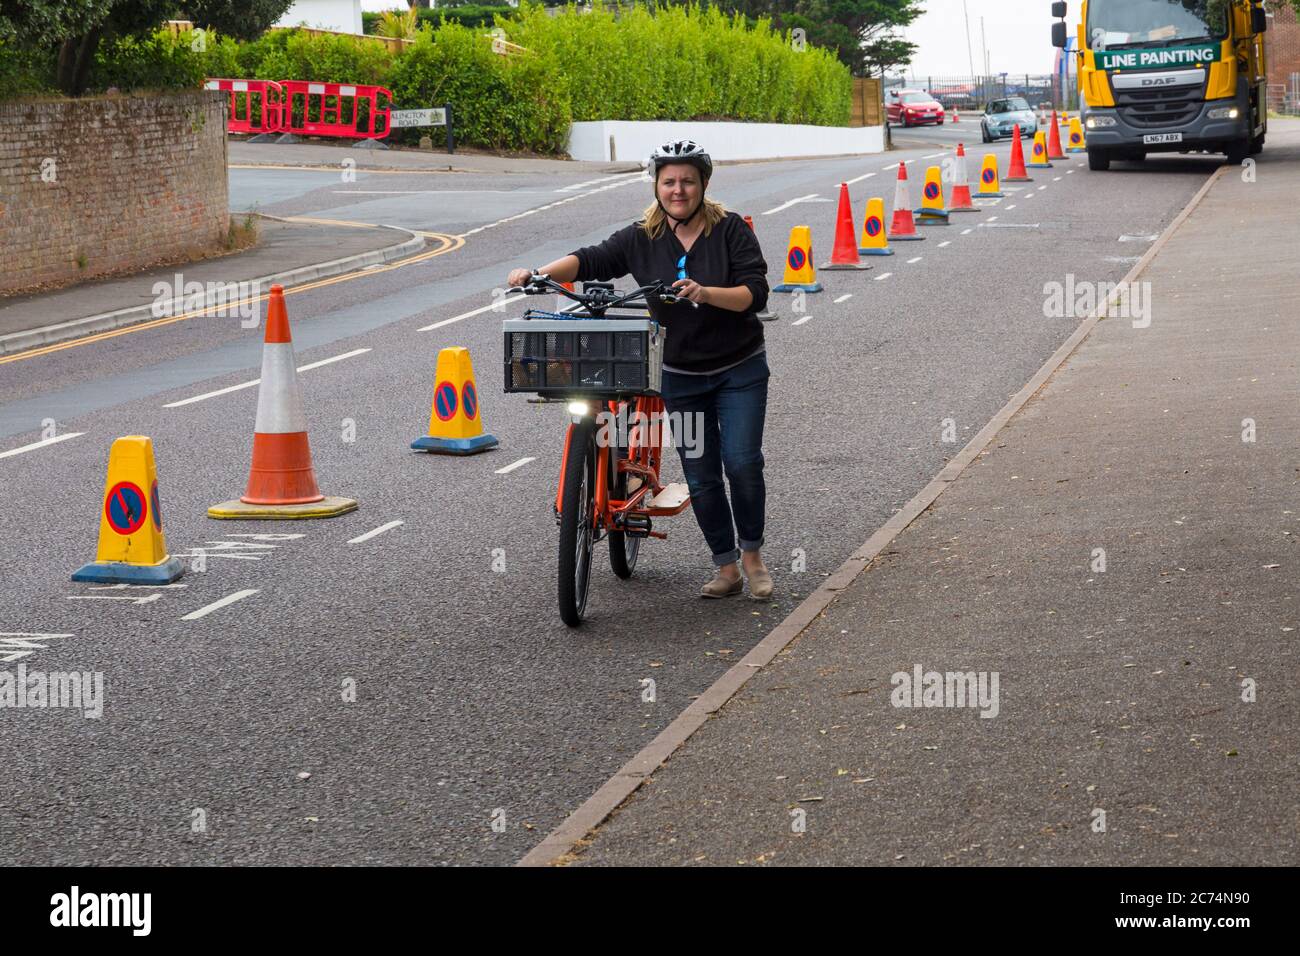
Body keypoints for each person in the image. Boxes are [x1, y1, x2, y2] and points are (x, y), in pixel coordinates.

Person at [506, 139, 773, 600]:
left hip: (739, 369)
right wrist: (537, 273)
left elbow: (757, 292)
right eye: (669, 181)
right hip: (682, 376)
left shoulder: (729, 229)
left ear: (703, 184)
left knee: (742, 463)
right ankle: (726, 567)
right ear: (656, 185)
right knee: (702, 474)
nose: (678, 189)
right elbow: (592, 259)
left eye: (687, 180)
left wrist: (708, 293)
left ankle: (753, 556)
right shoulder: (641, 236)